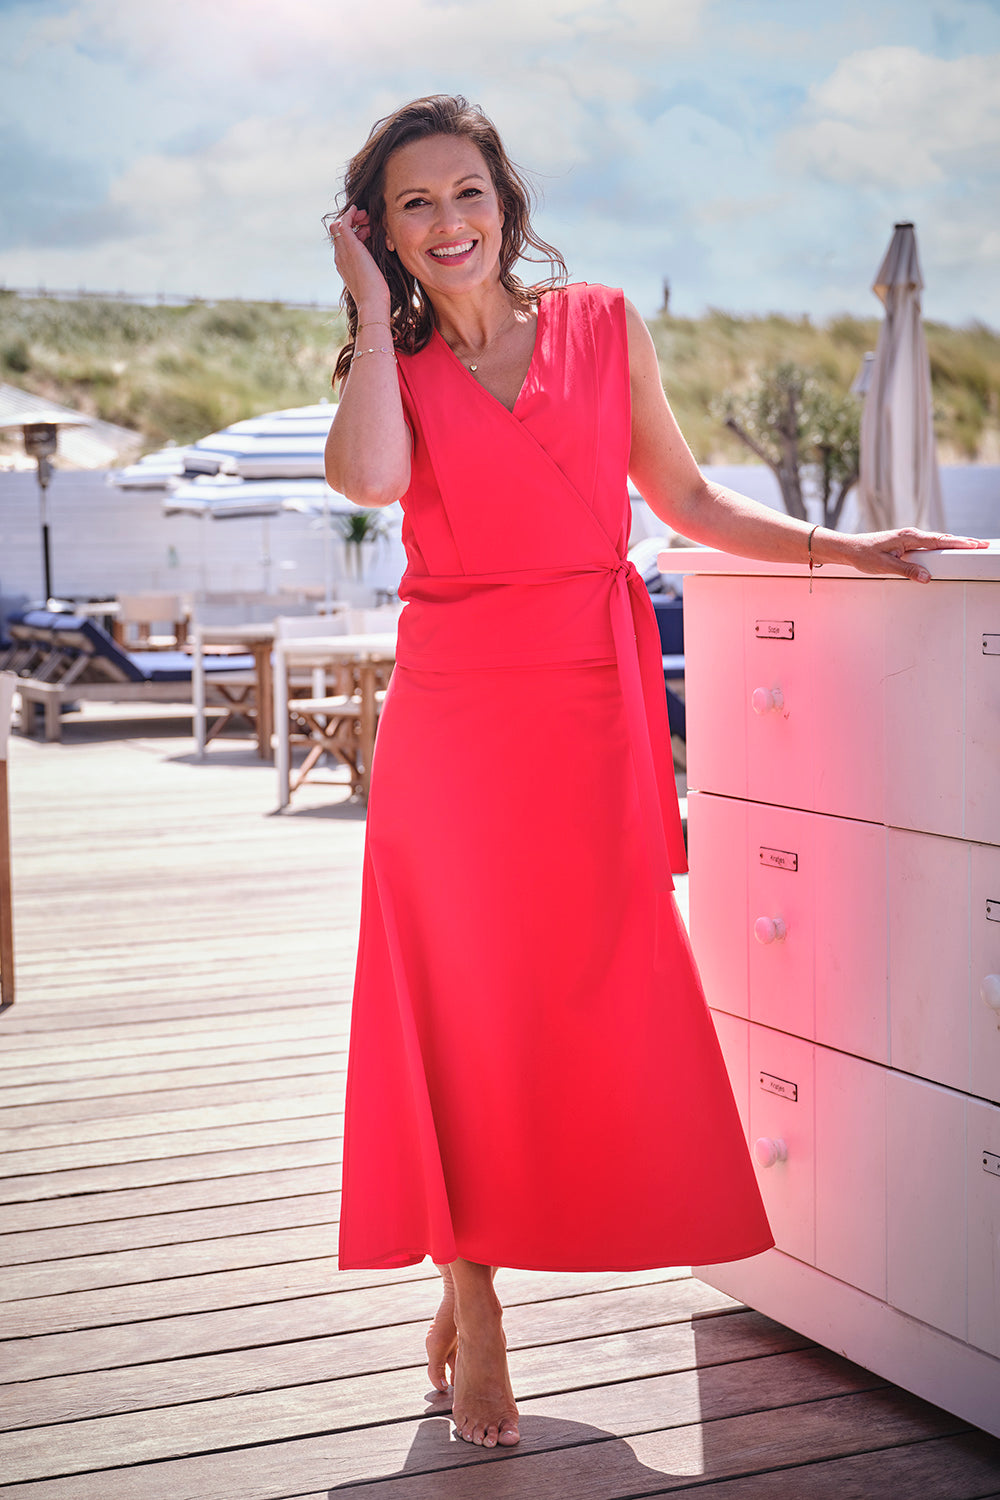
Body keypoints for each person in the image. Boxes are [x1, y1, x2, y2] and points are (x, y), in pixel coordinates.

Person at [323, 94, 985, 1451]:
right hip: (455, 719)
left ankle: (501, 1255)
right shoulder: (393, 363)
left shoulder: (603, 325)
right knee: (453, 997)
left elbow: (685, 500)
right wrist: (369, 312)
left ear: (505, 200)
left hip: (587, 702)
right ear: (380, 231)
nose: (449, 222)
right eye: (413, 205)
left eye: (467, 192)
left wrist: (848, 549)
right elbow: (370, 478)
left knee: (596, 985)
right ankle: (474, 1290)